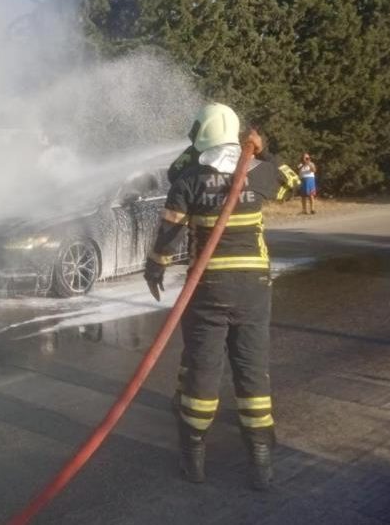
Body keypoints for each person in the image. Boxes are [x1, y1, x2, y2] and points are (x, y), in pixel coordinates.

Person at [144, 102, 300, 491]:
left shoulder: (190, 179)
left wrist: (155, 268)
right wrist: (262, 150)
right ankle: (261, 463)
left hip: (207, 288)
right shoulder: (259, 172)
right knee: (251, 369)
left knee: (203, 369)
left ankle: (194, 460)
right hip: (252, 288)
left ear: (200, 136)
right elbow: (291, 181)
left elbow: (168, 232)